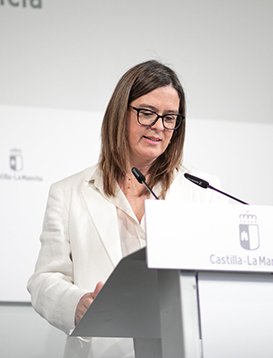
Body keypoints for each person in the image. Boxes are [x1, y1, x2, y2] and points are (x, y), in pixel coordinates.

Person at [27, 60, 220, 358]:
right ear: (120, 114)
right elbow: (44, 280)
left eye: (170, 117)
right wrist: (77, 304)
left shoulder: (202, 192)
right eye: (147, 113)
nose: (159, 126)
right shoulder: (68, 193)